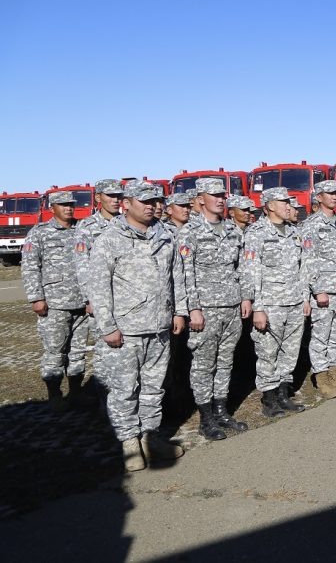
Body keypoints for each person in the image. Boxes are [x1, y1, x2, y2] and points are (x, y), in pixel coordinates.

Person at [87, 181, 187, 471]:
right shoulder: (110, 238)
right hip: (126, 328)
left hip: (159, 326)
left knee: (154, 388)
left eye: (154, 200)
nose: (150, 205)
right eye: (143, 201)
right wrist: (107, 326)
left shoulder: (166, 236)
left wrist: (179, 312)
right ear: (126, 204)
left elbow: (176, 277)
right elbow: (99, 287)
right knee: (124, 389)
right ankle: (130, 443)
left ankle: (150, 438)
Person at [177, 177, 251, 440]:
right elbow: (185, 274)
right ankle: (206, 418)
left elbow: (241, 268)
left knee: (225, 361)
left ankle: (221, 410)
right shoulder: (190, 232)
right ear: (200, 199)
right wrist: (193, 309)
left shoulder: (232, 230)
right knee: (203, 364)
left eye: (223, 195)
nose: (221, 199)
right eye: (215, 195)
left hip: (232, 306)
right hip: (206, 309)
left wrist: (246, 297)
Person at [242, 186, 309, 418]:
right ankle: (269, 399)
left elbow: (303, 268)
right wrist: (257, 307)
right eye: (284, 202)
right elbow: (251, 272)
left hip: (294, 301)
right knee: (268, 352)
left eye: (289, 202)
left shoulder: (293, 232)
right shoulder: (256, 233)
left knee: (289, 352)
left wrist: (305, 298)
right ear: (270, 205)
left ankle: (283, 394)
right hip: (270, 304)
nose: (289, 206)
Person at [22, 191, 89, 411]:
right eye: (63, 205)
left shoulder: (82, 229)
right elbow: (31, 267)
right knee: (55, 350)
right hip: (54, 304)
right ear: (52, 208)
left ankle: (76, 392)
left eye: (71, 204)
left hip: (81, 302)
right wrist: (36, 297)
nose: (69, 208)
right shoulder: (40, 233)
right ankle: (54, 395)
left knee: (78, 351)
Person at [299, 180, 336, 398]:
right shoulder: (311, 224)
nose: (335, 197)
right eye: (330, 193)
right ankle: (322, 379)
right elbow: (308, 259)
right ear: (319, 197)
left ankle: (335, 375)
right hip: (325, 290)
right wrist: (317, 289)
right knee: (320, 336)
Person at [73, 178, 124, 395]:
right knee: (104, 352)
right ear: (98, 198)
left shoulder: (126, 222)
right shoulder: (88, 227)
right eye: (110, 196)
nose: (115, 200)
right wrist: (90, 298)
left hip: (126, 298)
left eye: (118, 196)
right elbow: (82, 264)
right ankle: (104, 400)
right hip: (102, 300)